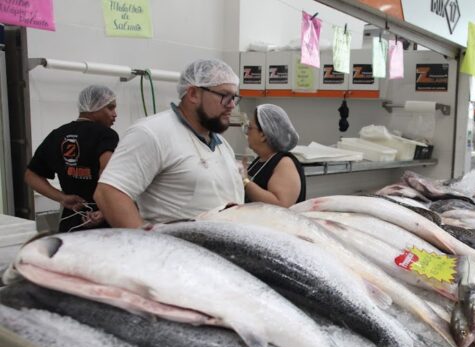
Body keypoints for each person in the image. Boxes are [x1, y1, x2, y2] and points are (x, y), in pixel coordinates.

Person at [95, 58, 243, 227]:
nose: (232, 105)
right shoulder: (152, 133)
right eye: (225, 96)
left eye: (234, 97)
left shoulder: (222, 144)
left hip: (219, 250)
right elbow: (109, 192)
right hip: (177, 250)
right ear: (193, 94)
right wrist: (146, 245)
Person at [25, 85, 118, 232]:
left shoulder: (57, 135)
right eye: (110, 108)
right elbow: (110, 175)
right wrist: (106, 211)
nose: (115, 114)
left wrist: (62, 197)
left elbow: (31, 175)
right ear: (94, 107)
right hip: (101, 221)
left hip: (71, 221)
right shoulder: (105, 135)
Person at [243, 104, 305, 207]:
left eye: (249, 128)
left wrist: (244, 181)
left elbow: (280, 204)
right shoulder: (261, 160)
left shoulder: (284, 163)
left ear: (263, 135)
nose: (247, 133)